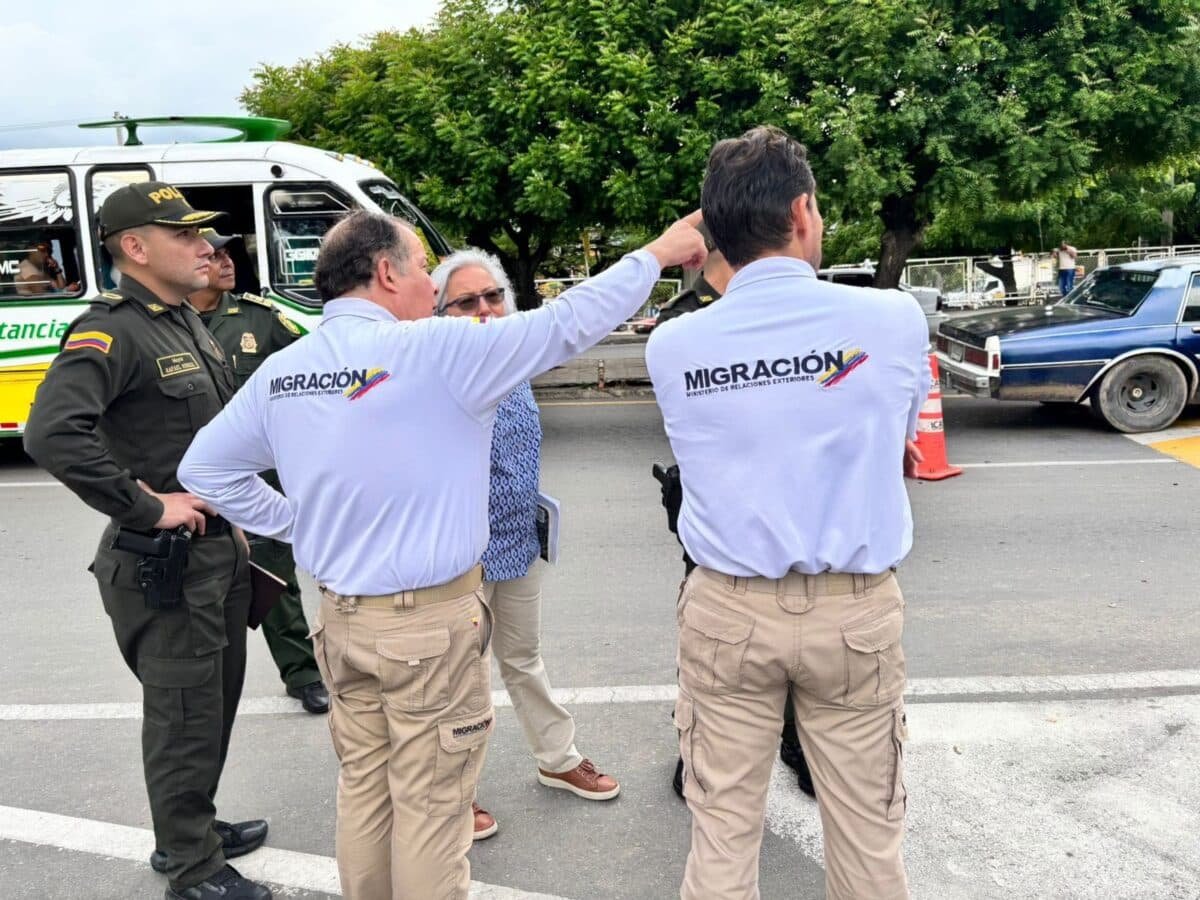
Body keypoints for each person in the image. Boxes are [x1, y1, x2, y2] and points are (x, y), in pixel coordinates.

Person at [177, 209, 705, 899]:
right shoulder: (433, 349)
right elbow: (566, 322)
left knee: (366, 790)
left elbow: (205, 470)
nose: (431, 284)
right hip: (425, 626)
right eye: (423, 267)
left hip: (341, 619)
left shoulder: (287, 367)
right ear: (386, 271)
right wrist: (656, 252)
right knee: (432, 806)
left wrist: (300, 527)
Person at [646, 127, 928, 900]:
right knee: (869, 845)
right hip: (854, 612)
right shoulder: (893, 319)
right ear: (802, 211)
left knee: (721, 839)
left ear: (712, 231)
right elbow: (899, 442)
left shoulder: (674, 345)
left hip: (728, 611)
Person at [23, 182, 271, 900]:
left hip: (216, 550)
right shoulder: (114, 330)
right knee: (183, 717)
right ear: (135, 247)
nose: (204, 246)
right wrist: (145, 506)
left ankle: (192, 825)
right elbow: (51, 433)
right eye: (184, 234)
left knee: (213, 706)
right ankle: (190, 866)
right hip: (169, 563)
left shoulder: (183, 320)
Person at [431, 248, 621, 841]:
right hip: (459, 555)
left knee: (523, 658)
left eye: (493, 296)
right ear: (437, 314)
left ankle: (558, 759)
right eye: (466, 301)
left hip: (517, 541)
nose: (485, 309)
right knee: (459, 678)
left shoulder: (514, 364)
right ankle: (454, 792)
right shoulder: (434, 374)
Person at [655, 223, 816, 802]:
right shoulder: (686, 317)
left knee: (800, 625)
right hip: (719, 507)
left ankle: (796, 742)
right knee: (713, 636)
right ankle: (698, 748)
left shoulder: (781, 309)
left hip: (793, 497)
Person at [189, 230, 330, 715]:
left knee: (274, 576)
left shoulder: (259, 319)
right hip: (192, 479)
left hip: (258, 475)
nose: (227, 262)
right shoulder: (166, 324)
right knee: (197, 585)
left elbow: (317, 368)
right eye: (215, 255)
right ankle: (198, 684)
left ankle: (303, 674)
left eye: (229, 254)